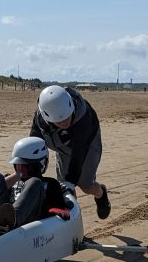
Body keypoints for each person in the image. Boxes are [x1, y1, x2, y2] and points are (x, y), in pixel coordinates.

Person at [0, 136, 69, 234]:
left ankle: (12, 219)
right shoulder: (11, 180)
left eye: (27, 166)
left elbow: (58, 208)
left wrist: (58, 208)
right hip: (0, 221)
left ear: (40, 165)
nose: (21, 169)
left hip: (28, 225)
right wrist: (17, 176)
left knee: (34, 182)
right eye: (18, 165)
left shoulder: (49, 184)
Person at [31, 84, 111, 219]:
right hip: (61, 144)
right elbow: (33, 146)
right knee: (64, 188)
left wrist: (71, 180)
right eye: (60, 121)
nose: (65, 122)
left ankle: (101, 194)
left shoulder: (82, 116)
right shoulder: (40, 120)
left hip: (86, 144)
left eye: (68, 117)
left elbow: (79, 151)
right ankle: (73, 219)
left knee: (85, 185)